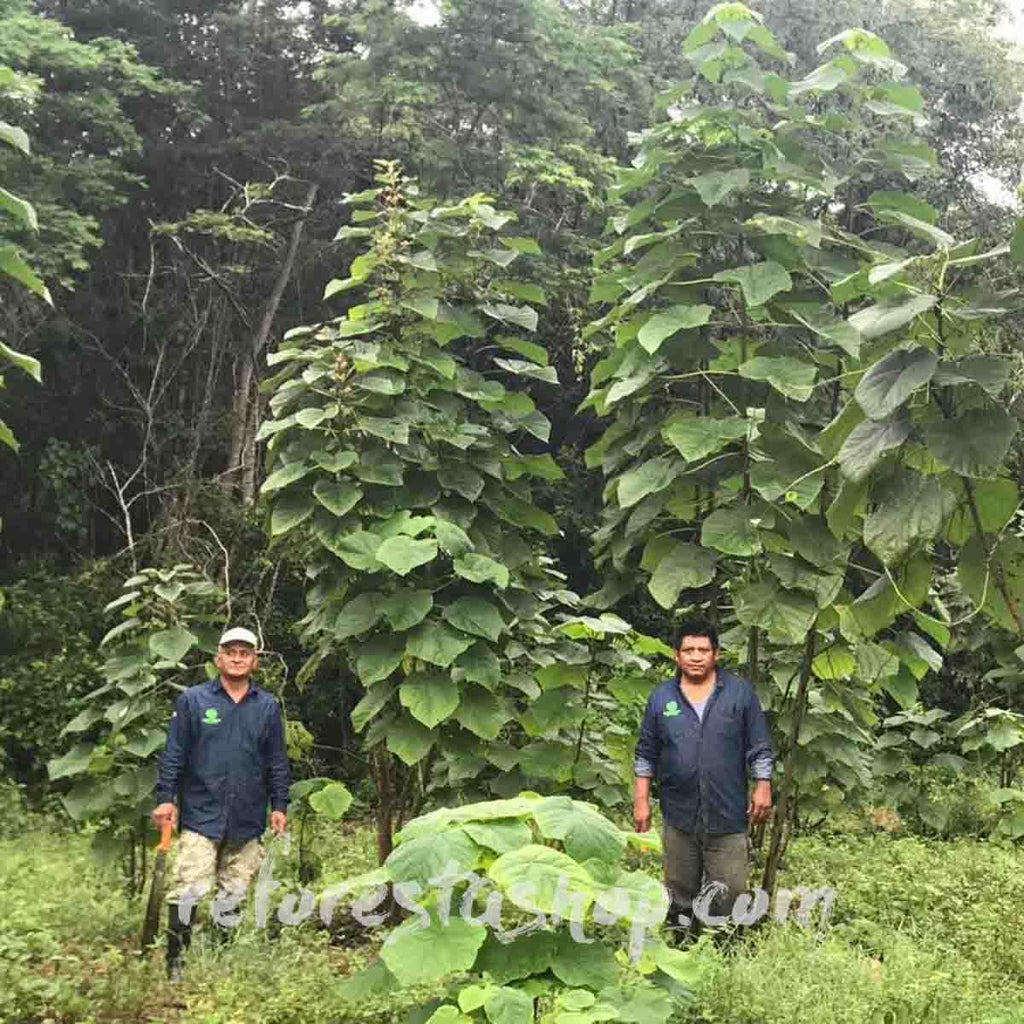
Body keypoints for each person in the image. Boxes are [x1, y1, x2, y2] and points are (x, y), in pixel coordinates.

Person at [152, 626, 291, 980]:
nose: (237, 658)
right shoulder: (194, 700)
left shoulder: (267, 706)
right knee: (190, 888)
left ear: (254, 661)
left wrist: (279, 805)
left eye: (245, 652)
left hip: (247, 815)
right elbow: (174, 754)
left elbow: (277, 760)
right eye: (231, 651)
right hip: (201, 812)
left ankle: (219, 956)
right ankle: (176, 966)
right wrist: (166, 799)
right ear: (218, 658)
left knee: (234, 889)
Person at [633, 620, 773, 942]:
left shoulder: (739, 694)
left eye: (703, 650)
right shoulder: (661, 698)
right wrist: (641, 801)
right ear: (676, 655)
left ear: (716, 654)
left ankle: (724, 962)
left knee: (731, 894)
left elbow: (760, 746)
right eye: (689, 650)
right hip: (679, 816)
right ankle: (681, 955)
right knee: (679, 894)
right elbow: (646, 753)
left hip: (728, 816)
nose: (696, 656)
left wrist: (763, 785)